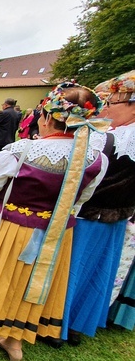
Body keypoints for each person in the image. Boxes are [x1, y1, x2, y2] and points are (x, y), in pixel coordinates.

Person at [0, 82, 108, 361]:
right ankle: (13, 340)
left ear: (47, 117)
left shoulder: (21, 151)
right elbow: (82, 197)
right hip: (57, 232)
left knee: (0, 276)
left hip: (14, 226)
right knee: (34, 283)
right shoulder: (96, 158)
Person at [62, 70, 135, 341]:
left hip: (89, 215)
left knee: (76, 270)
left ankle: (62, 322)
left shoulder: (107, 139)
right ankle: (79, 323)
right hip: (116, 219)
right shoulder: (114, 134)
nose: (107, 109)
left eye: (112, 103)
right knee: (98, 271)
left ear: (131, 105)